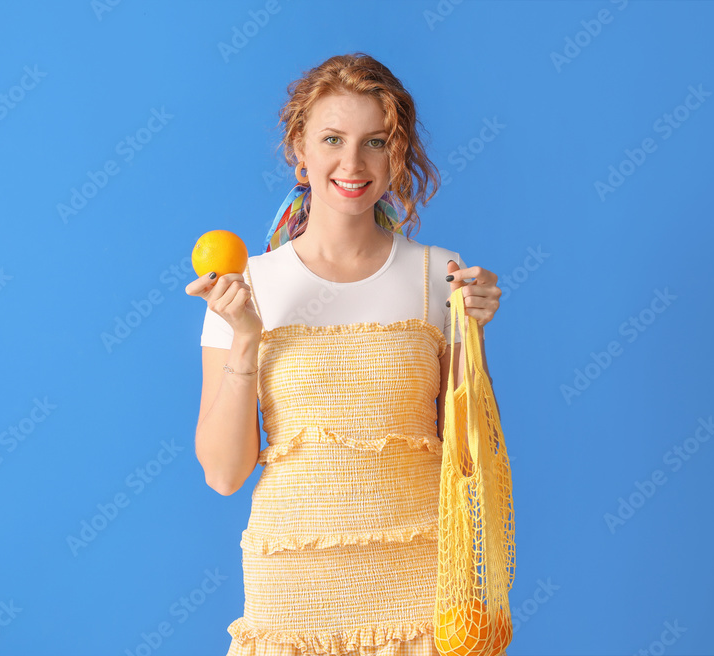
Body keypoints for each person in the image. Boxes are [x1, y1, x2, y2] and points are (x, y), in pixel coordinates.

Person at [186, 52, 503, 656]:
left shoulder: (442, 275)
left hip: (420, 593)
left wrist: (475, 338)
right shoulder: (243, 287)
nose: (352, 163)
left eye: (375, 142)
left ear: (397, 155)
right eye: (332, 139)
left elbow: (472, 460)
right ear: (299, 153)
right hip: (291, 598)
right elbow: (225, 475)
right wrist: (247, 334)